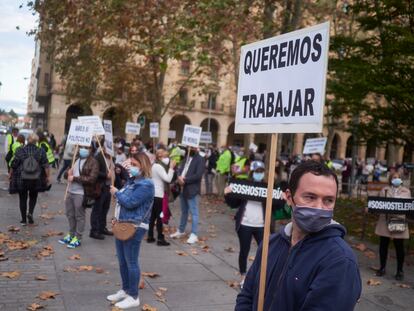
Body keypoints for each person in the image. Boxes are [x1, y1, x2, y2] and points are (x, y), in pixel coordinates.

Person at [235, 160, 361, 310]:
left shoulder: (340, 261)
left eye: (328, 200)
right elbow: (247, 295)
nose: (319, 207)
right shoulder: (270, 244)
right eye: (310, 197)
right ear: (289, 197)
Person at [107, 152, 154, 309]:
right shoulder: (132, 181)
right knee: (122, 261)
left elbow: (131, 202)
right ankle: (125, 290)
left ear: (143, 166)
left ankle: (133, 296)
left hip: (135, 227)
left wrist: (116, 193)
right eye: (131, 164)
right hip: (122, 225)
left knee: (131, 261)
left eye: (135, 165)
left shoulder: (146, 184)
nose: (132, 167)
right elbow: (124, 199)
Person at [224, 161, 283, 288]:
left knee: (266, 252)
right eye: (256, 172)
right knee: (244, 251)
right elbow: (233, 204)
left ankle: (263, 276)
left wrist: (281, 197)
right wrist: (227, 193)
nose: (258, 174)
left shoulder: (269, 187)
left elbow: (277, 206)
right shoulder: (245, 186)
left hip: (262, 226)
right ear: (252, 172)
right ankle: (244, 277)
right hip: (245, 224)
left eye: (261, 172)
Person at [59, 145, 99, 248]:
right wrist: (67, 174)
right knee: (70, 214)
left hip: (81, 193)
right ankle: (71, 234)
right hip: (70, 191)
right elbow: (67, 174)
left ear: (90, 149)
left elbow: (92, 179)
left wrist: (75, 178)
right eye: (81, 147)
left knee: (79, 216)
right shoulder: (75, 159)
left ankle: (78, 237)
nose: (83, 149)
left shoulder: (93, 162)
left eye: (86, 147)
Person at [374, 172, 411, 281]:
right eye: (394, 177)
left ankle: (400, 271)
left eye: (398, 177)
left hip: (398, 220)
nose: (396, 179)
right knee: (383, 245)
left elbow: (405, 203)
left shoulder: (406, 191)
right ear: (390, 179)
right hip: (385, 220)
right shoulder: (384, 190)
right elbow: (380, 202)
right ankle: (382, 268)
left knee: (399, 246)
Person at [9, 133, 50, 225]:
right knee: (33, 196)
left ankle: (23, 219)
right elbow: (46, 165)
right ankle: (30, 213)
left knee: (22, 198)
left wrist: (10, 174)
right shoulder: (41, 151)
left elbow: (14, 164)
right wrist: (47, 177)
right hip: (36, 178)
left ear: (27, 140)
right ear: (36, 141)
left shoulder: (20, 150)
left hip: (21, 178)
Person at [170, 147, 205, 244]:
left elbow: (198, 175)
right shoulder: (186, 158)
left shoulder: (200, 159)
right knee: (184, 211)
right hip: (182, 189)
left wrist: (184, 180)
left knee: (194, 212)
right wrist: (179, 177)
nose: (190, 147)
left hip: (192, 189)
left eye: (192, 146)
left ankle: (194, 234)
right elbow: (180, 169)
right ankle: (181, 231)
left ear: (197, 147)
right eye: (188, 146)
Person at [148, 148, 176, 246]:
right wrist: (172, 168)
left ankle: (150, 236)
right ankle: (160, 238)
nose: (167, 155)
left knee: (153, 216)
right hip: (158, 194)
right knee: (159, 217)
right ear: (160, 156)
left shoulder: (154, 165)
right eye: (165, 153)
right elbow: (168, 179)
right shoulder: (158, 166)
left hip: (154, 194)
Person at [90, 139, 114, 239]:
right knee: (97, 208)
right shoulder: (98, 157)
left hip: (108, 187)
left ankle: (102, 227)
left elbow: (112, 170)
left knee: (105, 208)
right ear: (103, 148)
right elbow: (94, 172)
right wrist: (105, 176)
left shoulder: (111, 158)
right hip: (100, 186)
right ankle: (94, 230)